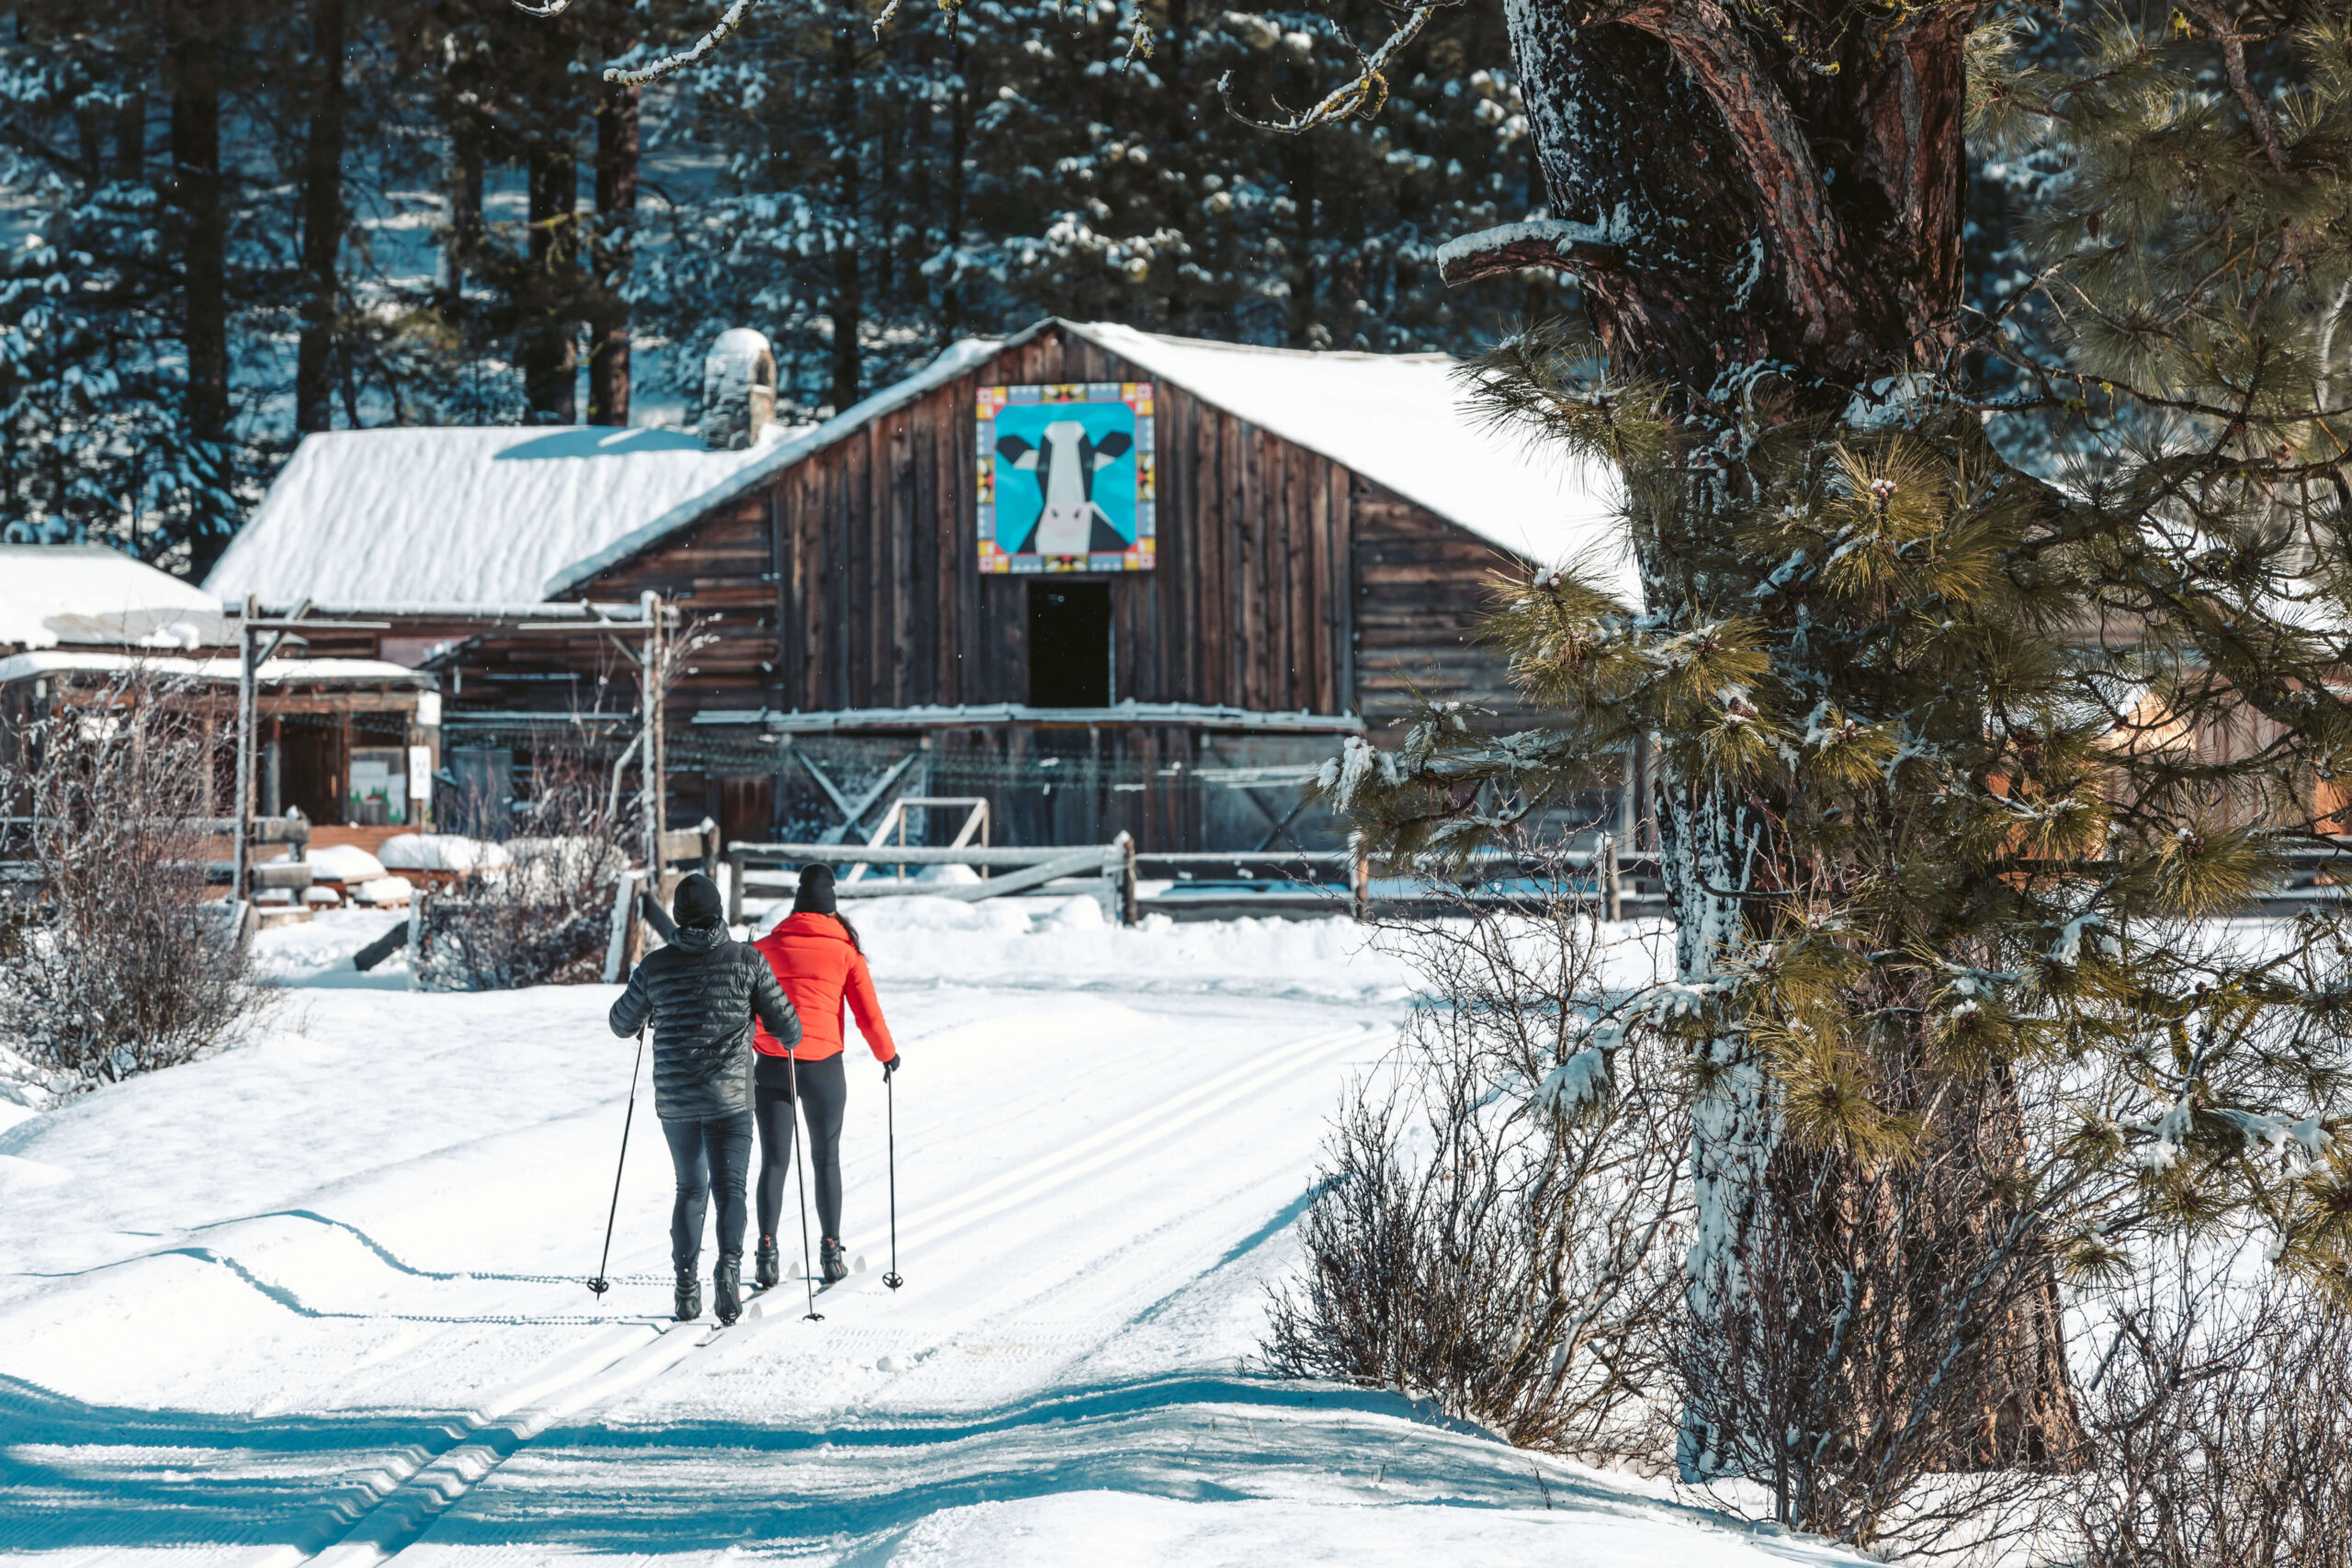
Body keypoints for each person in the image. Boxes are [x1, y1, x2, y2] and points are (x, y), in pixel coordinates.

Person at [609, 871, 800, 1325]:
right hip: (732, 1097)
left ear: (678, 917)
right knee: (730, 1188)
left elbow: (620, 1022)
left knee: (690, 1189)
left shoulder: (655, 967)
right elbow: (789, 1028)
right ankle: (729, 1271)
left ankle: (685, 1286)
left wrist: (652, 1010)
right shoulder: (747, 960)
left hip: (676, 1101)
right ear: (718, 912)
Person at [751, 863, 900, 1288]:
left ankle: (766, 1254)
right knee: (825, 1157)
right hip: (823, 1068)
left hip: (773, 1062)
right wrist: (886, 1056)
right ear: (832, 908)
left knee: (775, 1162)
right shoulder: (845, 952)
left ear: (797, 904)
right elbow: (868, 1014)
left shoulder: (763, 947)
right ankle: (831, 1253)